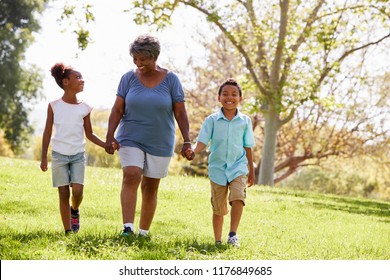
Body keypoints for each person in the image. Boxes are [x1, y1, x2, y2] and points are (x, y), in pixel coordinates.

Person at [105, 34, 192, 237]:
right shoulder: (128, 78)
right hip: (130, 136)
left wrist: (187, 140)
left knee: (150, 186)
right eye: (135, 59)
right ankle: (128, 228)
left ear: (154, 57)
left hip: (160, 140)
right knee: (131, 175)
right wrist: (110, 136)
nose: (138, 63)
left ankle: (143, 232)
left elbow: (180, 112)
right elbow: (117, 109)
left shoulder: (171, 80)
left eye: (142, 59)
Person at [186, 78, 255, 247]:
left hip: (238, 166)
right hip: (218, 168)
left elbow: (248, 146)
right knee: (218, 208)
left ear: (240, 98)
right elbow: (202, 141)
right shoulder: (211, 120)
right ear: (219, 98)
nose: (229, 97)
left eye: (234, 94)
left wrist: (251, 170)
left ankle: (232, 235)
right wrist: (193, 151)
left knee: (238, 197)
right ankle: (218, 241)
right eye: (225, 94)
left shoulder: (245, 121)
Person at [40, 62, 106, 234]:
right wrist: (43, 157)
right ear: (66, 82)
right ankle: (68, 230)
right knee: (63, 193)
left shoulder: (85, 107)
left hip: (77, 155)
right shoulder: (54, 106)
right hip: (59, 156)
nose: (82, 80)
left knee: (77, 191)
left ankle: (74, 210)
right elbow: (47, 132)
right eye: (78, 77)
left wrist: (106, 145)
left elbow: (90, 134)